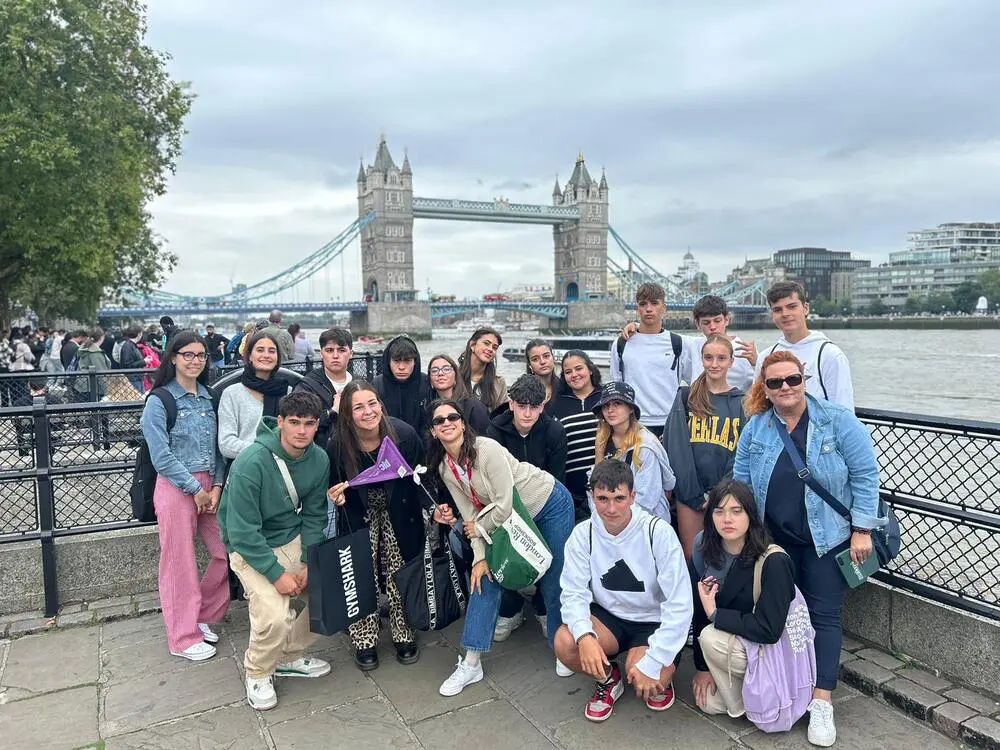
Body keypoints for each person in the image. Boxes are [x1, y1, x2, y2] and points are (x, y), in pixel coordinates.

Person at [735, 349, 881, 747]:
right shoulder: (757, 427)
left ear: (805, 380)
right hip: (775, 543)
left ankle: (822, 700)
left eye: (792, 380)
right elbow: (742, 480)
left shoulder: (838, 421)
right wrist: (745, 533)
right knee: (783, 616)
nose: (785, 388)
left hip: (827, 539)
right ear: (764, 388)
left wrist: (862, 529)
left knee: (824, 616)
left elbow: (866, 475)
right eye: (775, 382)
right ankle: (792, 686)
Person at [429, 399, 575, 693]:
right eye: (439, 420)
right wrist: (480, 558)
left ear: (463, 423)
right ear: (433, 432)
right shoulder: (446, 468)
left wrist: (480, 529)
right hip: (500, 522)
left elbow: (504, 505)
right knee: (483, 579)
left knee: (554, 577)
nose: (447, 423)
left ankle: (562, 647)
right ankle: (471, 662)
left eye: (453, 417)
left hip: (546, 504)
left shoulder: (486, 450)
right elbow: (469, 515)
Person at [218, 391, 332, 711]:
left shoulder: (319, 458)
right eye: (294, 423)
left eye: (309, 424)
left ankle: (288, 655)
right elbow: (241, 531)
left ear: (317, 425)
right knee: (274, 614)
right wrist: (276, 575)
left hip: (291, 536)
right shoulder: (250, 463)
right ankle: (258, 669)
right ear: (279, 422)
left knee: (329, 592)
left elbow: (314, 515)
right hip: (250, 546)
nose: (301, 431)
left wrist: (309, 560)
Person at [555, 459, 692, 722]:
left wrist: (654, 661)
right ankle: (608, 679)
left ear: (633, 496)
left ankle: (659, 670)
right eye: (603, 499)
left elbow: (680, 603)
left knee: (644, 676)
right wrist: (585, 637)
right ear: (592, 497)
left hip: (652, 620)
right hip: (610, 618)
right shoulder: (583, 534)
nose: (611, 508)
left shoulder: (658, 532)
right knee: (565, 641)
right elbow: (573, 591)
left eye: (619, 498)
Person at [139, 331, 229, 663]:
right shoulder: (159, 401)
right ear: (173, 358)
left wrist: (216, 487)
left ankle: (202, 614)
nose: (194, 361)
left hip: (210, 487)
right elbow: (160, 456)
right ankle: (182, 635)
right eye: (187, 354)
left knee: (227, 550)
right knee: (179, 563)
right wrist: (196, 490)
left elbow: (218, 449)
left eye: (201, 355)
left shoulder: (209, 397)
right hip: (177, 487)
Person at [327, 381, 426, 671]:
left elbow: (421, 475)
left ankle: (403, 629)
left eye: (372, 403)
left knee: (400, 569)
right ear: (347, 414)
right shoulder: (337, 444)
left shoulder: (404, 435)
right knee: (359, 572)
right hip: (360, 512)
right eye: (358, 407)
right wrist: (337, 495)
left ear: (381, 404)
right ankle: (364, 637)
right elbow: (333, 484)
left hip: (400, 510)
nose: (368, 412)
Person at [689, 479, 797, 721]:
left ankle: (765, 697)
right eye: (719, 511)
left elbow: (769, 630)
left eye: (736, 511)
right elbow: (697, 610)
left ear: (750, 515)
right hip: (735, 643)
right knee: (707, 703)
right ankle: (751, 698)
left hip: (768, 650)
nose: (727, 519)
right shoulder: (703, 545)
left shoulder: (773, 560)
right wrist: (702, 668)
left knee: (710, 637)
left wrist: (716, 615)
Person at [487, 374, 568, 642]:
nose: (527, 413)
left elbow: (557, 480)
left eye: (534, 406)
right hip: (506, 506)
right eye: (522, 405)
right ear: (511, 404)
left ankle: (546, 610)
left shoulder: (554, 432)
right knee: (490, 548)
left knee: (557, 554)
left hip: (545, 503)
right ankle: (511, 608)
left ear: (543, 407)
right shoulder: (494, 433)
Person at [663, 334, 746, 560]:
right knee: (693, 556)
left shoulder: (742, 403)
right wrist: (696, 495)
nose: (714, 364)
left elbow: (741, 455)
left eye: (721, 358)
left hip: (728, 495)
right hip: (691, 494)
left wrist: (720, 493)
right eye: (709, 358)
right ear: (702, 360)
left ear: (731, 361)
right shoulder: (686, 397)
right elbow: (677, 449)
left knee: (726, 555)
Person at [610, 282, 694, 438]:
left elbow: (696, 383)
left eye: (655, 303)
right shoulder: (621, 344)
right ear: (637, 309)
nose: (649, 309)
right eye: (643, 304)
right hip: (634, 423)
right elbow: (617, 386)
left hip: (671, 423)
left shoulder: (680, 343)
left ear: (664, 308)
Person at [756, 280, 854, 409]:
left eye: (792, 306)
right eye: (778, 310)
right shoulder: (765, 357)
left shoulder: (830, 355)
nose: (785, 314)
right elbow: (758, 406)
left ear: (806, 308)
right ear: (772, 315)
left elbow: (844, 411)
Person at [593, 381, 676, 522]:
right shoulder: (602, 440)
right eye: (606, 406)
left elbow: (647, 499)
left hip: (646, 523)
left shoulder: (646, 445)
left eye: (617, 404)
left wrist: (618, 523)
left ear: (631, 408)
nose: (610, 410)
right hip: (609, 520)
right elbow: (595, 486)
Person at [218, 331, 295, 466]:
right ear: (250, 357)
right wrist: (266, 451)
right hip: (244, 470)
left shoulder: (287, 393)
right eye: (260, 350)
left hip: (281, 471)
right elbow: (226, 444)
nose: (266, 355)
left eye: (272, 351)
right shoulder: (232, 394)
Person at [546, 350, 602, 519]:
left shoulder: (607, 397)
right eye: (568, 372)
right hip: (572, 490)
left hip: (607, 485)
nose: (574, 375)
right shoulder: (555, 404)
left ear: (590, 369)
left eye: (579, 369)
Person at [294, 327, 353, 447]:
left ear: (351, 354)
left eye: (341, 350)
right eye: (329, 350)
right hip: (323, 453)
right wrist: (332, 411)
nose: (335, 356)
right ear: (321, 354)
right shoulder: (307, 386)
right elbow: (297, 423)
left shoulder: (359, 383)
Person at [688, 295, 757, 391]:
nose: (712, 327)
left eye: (717, 321)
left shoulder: (743, 351)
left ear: (727, 320)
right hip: (697, 403)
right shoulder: (693, 344)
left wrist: (757, 363)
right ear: (697, 324)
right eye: (706, 323)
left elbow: (759, 387)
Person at [372, 335, 433, 438]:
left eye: (407, 361)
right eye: (396, 361)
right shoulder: (377, 384)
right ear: (389, 362)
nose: (401, 367)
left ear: (415, 362)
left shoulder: (426, 383)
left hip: (421, 447)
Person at [427, 353, 490, 435]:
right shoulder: (429, 407)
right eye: (434, 371)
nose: (440, 374)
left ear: (456, 375)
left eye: (446, 369)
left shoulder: (473, 407)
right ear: (430, 379)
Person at [457, 326, 506, 413]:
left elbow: (502, 415)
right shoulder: (453, 377)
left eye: (494, 347)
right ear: (472, 345)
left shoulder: (499, 383)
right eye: (486, 343)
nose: (490, 349)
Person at [71, 327, 111, 401]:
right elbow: (102, 374)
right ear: (101, 337)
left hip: (81, 386)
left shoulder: (84, 348)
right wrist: (108, 393)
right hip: (92, 388)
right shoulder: (95, 352)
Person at [524, 338, 559, 404]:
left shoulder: (565, 388)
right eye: (535, 359)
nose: (542, 362)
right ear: (529, 365)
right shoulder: (522, 391)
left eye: (546, 356)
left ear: (553, 358)